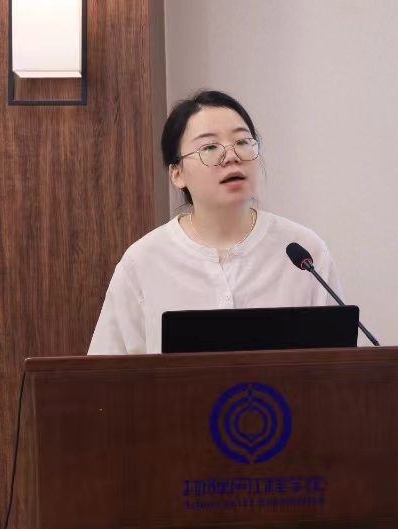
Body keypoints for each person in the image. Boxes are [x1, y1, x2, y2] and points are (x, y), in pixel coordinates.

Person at [87, 90, 344, 355]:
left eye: (242, 142)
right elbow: (105, 374)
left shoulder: (304, 253)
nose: (232, 156)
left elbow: (341, 367)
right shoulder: (143, 263)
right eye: (209, 147)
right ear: (177, 173)